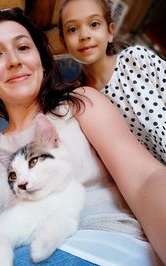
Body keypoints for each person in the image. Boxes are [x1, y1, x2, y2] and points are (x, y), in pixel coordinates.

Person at [0, 6, 166, 266]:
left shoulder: (80, 104)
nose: (14, 61)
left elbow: (144, 179)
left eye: (23, 47)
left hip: (97, 248)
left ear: (40, 56)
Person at [58, 0, 166, 164]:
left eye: (94, 24)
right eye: (72, 29)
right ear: (63, 42)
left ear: (110, 31)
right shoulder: (80, 102)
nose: (85, 35)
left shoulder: (136, 59)